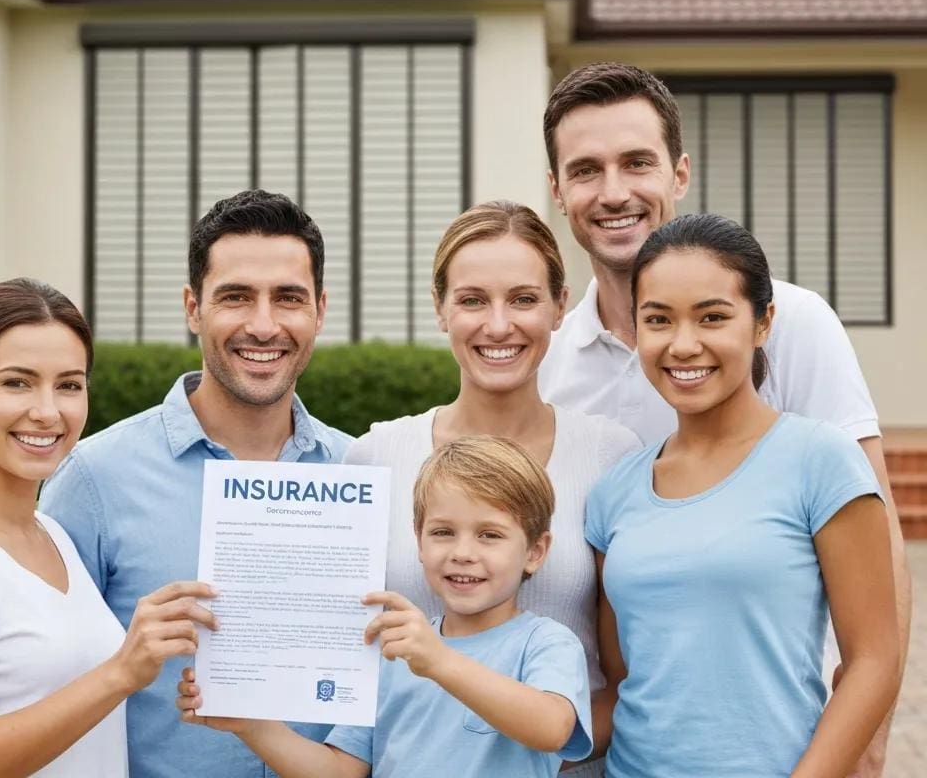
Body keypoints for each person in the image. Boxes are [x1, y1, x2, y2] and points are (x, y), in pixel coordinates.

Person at [536, 62, 909, 775]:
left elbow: (879, 556)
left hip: (793, 741)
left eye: (636, 162)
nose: (613, 192)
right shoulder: (549, 370)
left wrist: (863, 749)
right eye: (586, 170)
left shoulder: (796, 322)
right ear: (557, 190)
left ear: (679, 172)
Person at [0, 191, 352, 778]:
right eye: (236, 296)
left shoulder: (360, 471)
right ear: (193, 308)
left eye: (288, 298)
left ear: (319, 309)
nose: (263, 324)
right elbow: (13, 661)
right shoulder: (91, 480)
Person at [585, 214, 900, 777]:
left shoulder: (822, 461)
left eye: (713, 317)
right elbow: (626, 683)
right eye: (658, 320)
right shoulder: (614, 491)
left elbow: (873, 661)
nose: (684, 345)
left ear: (762, 323)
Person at [344, 200, 640, 776]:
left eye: (524, 299)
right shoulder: (374, 457)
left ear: (559, 306)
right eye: (472, 300)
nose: (498, 325)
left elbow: (627, 682)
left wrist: (517, 751)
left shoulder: (611, 456)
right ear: (440, 309)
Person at [0, 279, 216, 778]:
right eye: (17, 382)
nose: (47, 412)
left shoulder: (55, 535)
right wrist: (120, 674)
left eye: (68, 385)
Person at [176, 435, 593, 778]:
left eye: (489, 535)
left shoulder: (545, 642)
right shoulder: (395, 654)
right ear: (418, 541)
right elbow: (341, 771)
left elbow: (552, 729)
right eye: (443, 532)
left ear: (536, 552)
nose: (463, 553)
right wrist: (252, 724)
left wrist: (439, 661)